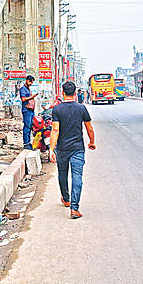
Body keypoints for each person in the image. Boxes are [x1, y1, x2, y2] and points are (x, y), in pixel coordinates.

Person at [50, 81, 96, 219]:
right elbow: (89, 128)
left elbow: (55, 130)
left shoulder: (57, 109)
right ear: (75, 94)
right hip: (77, 148)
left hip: (62, 148)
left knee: (62, 174)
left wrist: (51, 149)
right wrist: (92, 142)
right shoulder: (81, 108)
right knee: (77, 176)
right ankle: (74, 209)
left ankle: (66, 199)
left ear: (62, 92)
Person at [19, 75, 38, 149]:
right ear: (27, 80)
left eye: (32, 82)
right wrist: (32, 97)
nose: (31, 83)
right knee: (27, 126)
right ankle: (26, 143)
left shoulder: (28, 89)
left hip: (31, 110)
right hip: (26, 110)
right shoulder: (23, 89)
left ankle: (29, 142)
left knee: (30, 126)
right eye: (30, 81)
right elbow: (23, 99)